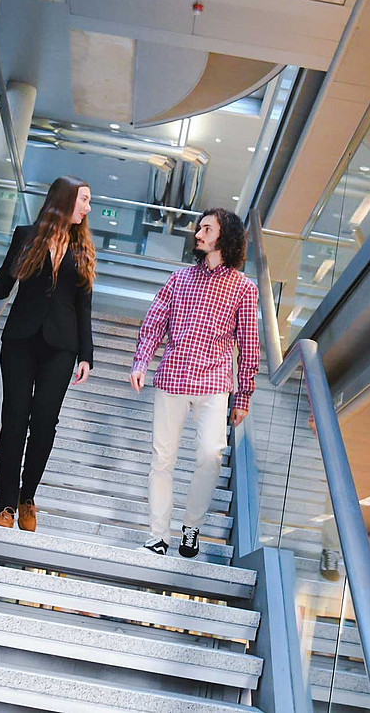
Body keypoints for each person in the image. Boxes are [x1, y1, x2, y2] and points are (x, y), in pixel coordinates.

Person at [0, 175, 95, 531]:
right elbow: (4, 285)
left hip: (62, 347)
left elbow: (84, 306)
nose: (87, 208)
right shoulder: (26, 235)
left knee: (44, 426)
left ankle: (27, 498)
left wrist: (86, 355)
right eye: (83, 200)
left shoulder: (82, 249)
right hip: (20, 340)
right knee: (15, 421)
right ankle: (4, 508)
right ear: (65, 200)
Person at [130, 207, 259, 557]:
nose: (198, 233)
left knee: (210, 455)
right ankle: (158, 536)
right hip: (173, 377)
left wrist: (243, 395)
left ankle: (191, 526)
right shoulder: (179, 279)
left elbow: (249, 343)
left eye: (206, 228)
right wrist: (142, 361)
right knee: (162, 458)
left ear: (224, 237)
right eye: (199, 227)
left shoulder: (244, 290)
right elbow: (155, 322)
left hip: (214, 383)